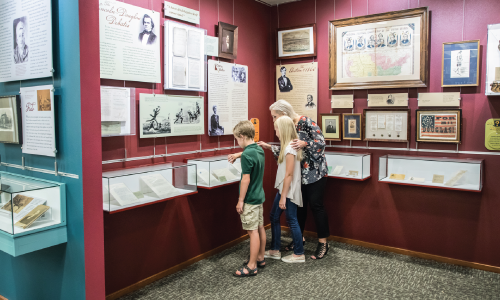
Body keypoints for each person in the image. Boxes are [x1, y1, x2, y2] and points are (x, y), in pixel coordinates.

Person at [229, 100, 331, 260]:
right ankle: (298, 242)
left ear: (284, 115)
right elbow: (287, 151)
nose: (273, 121)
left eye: (275, 117)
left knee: (316, 206)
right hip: (298, 176)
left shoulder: (305, 122)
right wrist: (268, 148)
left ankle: (321, 243)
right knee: (297, 211)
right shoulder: (288, 133)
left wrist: (305, 143)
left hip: (313, 173)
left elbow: (321, 143)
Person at [265, 116, 305, 263]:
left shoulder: (290, 149)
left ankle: (299, 253)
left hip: (288, 191)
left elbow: (288, 174)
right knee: (274, 216)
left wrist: (283, 197)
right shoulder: (288, 146)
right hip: (284, 189)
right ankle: (275, 250)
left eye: (276, 128)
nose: (275, 131)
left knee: (292, 220)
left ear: (282, 129)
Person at [232, 120, 266, 277]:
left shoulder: (246, 154)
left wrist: (240, 200)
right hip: (259, 196)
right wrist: (239, 154)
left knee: (252, 232)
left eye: (237, 139)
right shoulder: (259, 149)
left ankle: (252, 266)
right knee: (260, 228)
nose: (237, 142)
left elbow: (245, 179)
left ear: (242, 136)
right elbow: (249, 153)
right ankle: (260, 257)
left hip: (250, 199)